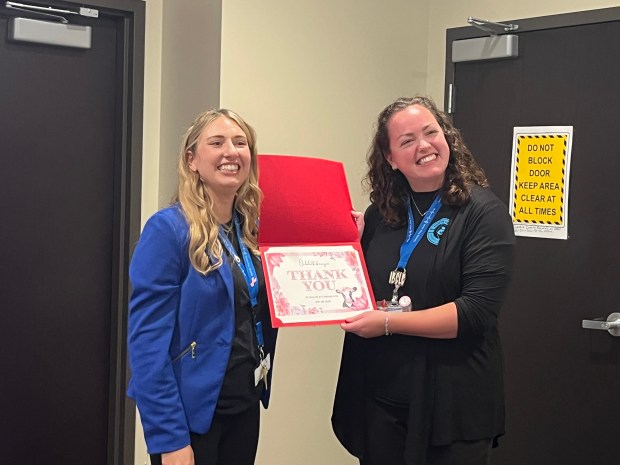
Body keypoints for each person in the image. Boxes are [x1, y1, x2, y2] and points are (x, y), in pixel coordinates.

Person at [332, 96, 516, 465]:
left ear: (447, 138)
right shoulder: (381, 215)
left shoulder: (484, 214)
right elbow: (360, 291)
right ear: (390, 158)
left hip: (451, 404)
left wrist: (387, 323)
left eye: (431, 132)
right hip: (381, 399)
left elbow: (474, 313)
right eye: (407, 140)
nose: (424, 146)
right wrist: (345, 249)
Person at [127, 109, 277, 465]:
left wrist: (349, 237)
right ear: (192, 160)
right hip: (192, 419)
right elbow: (147, 344)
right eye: (217, 142)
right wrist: (169, 439)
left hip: (244, 405)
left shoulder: (252, 232)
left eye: (241, 143)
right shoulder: (169, 230)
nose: (231, 151)